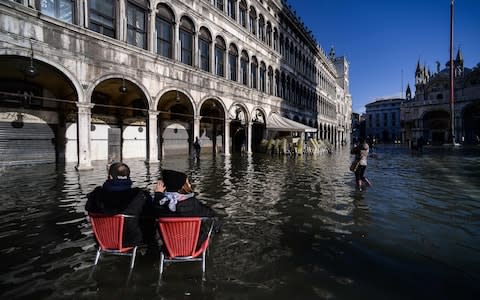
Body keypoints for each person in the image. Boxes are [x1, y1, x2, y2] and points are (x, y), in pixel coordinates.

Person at [85, 162, 154, 246]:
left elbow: (88, 208)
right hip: (130, 240)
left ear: (110, 176)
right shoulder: (139, 195)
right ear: (128, 176)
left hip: (102, 240)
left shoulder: (96, 195)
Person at [153, 169, 218, 248]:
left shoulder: (158, 204)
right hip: (194, 246)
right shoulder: (193, 204)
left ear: (164, 186)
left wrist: (158, 195)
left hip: (169, 247)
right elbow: (211, 214)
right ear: (182, 187)